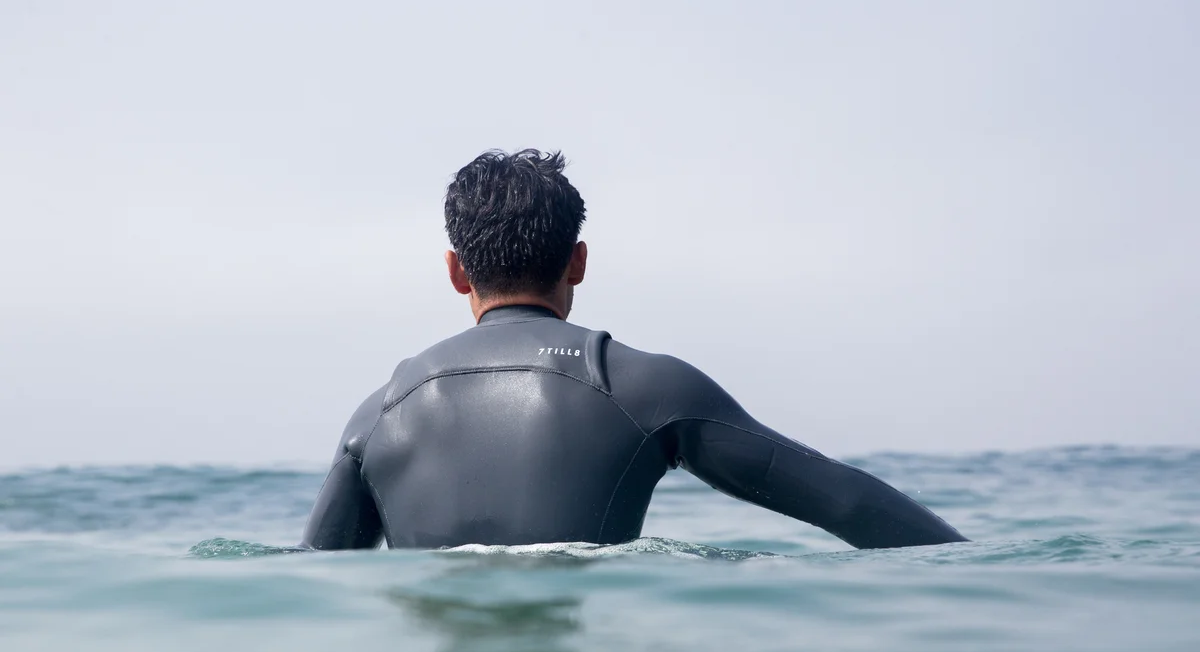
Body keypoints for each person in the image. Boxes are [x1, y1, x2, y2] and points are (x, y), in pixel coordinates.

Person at [300, 149, 967, 551]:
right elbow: (845, 502)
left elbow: (309, 586)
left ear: (455, 271)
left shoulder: (378, 415)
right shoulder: (640, 387)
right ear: (579, 261)